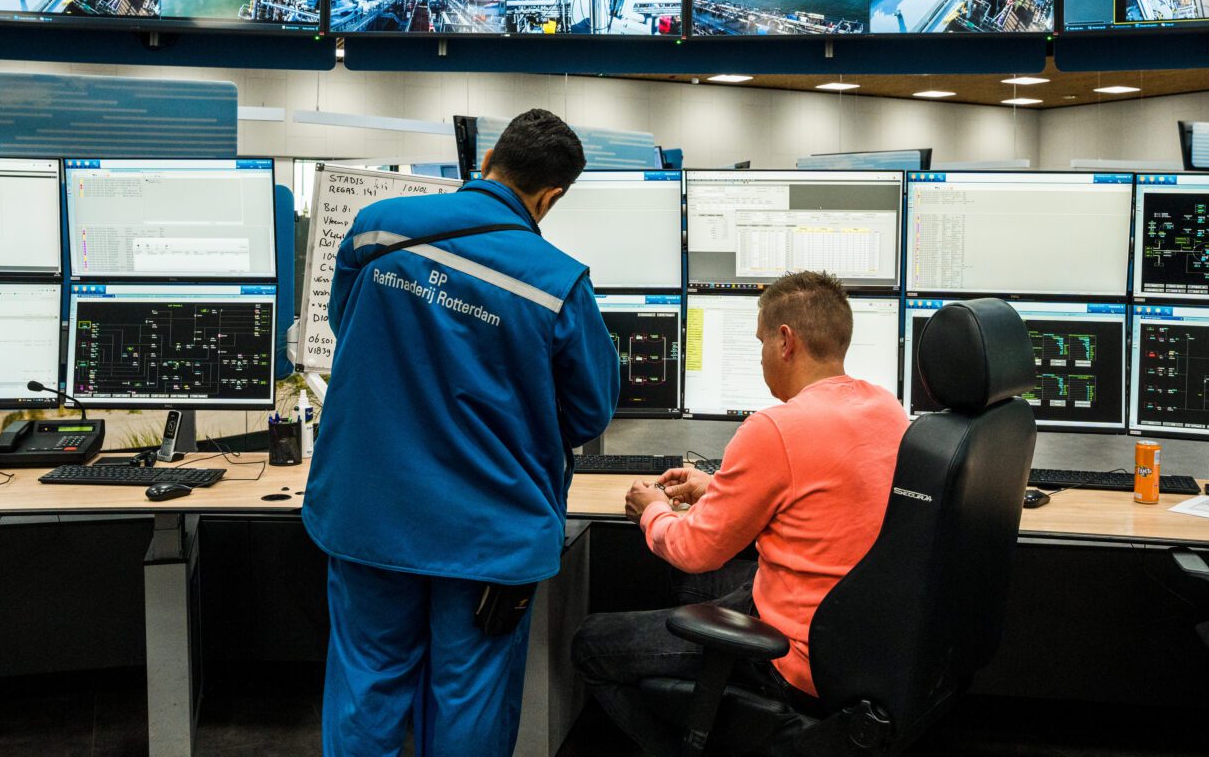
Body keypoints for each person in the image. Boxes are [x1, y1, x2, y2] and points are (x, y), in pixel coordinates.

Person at [305, 108, 620, 756]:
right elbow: (589, 414)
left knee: (367, 687)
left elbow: (348, 327)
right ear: (551, 196)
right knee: (468, 701)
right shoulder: (558, 283)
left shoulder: (376, 231)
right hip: (486, 535)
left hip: (370, 513)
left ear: (486, 163)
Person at [572, 271, 908, 757]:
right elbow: (822, 495)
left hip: (793, 651)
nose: (761, 357)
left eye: (761, 343)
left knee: (590, 643)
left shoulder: (776, 426)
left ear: (786, 341)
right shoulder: (885, 409)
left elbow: (692, 550)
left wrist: (653, 511)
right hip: (853, 631)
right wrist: (717, 487)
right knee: (698, 592)